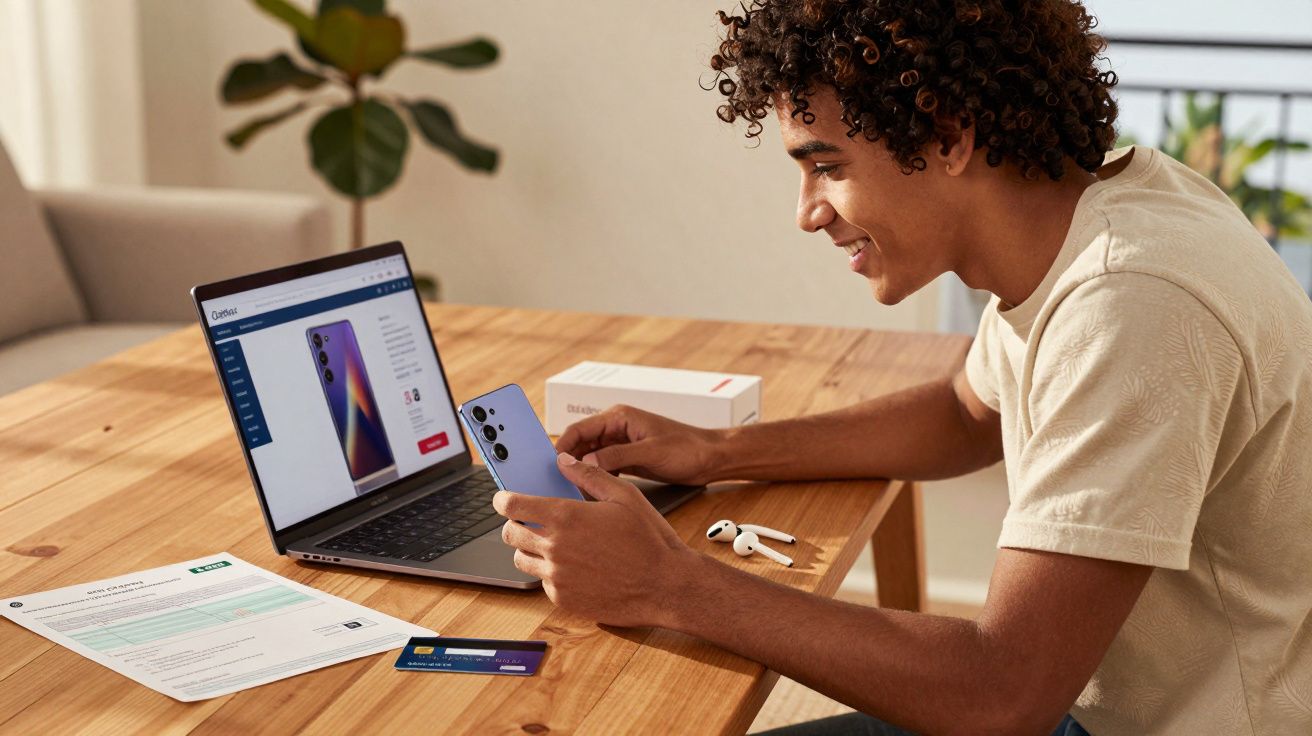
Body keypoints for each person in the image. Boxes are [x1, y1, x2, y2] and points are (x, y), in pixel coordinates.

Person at [492, 1, 1312, 733]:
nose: (808, 212)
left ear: (948, 136)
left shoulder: (1129, 302)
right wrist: (718, 451)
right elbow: (966, 414)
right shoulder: (1097, 214)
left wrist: (669, 585)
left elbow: (1001, 696)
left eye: (828, 165)